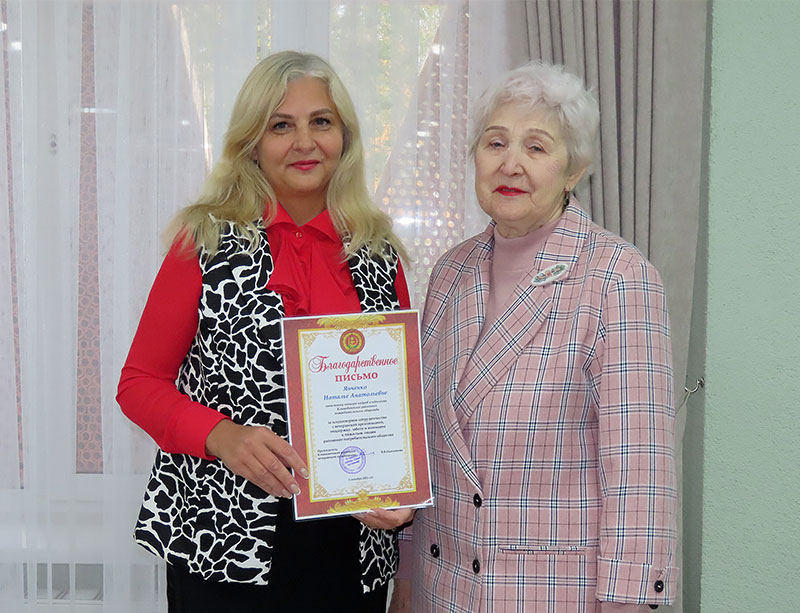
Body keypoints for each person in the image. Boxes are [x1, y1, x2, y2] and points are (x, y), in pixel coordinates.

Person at [118, 50, 413, 613]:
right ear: (253, 142)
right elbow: (138, 384)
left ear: (344, 138)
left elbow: (394, 405)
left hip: (352, 546)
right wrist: (222, 436)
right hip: (222, 543)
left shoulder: (379, 255)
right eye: (281, 125)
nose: (304, 142)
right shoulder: (203, 243)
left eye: (321, 121)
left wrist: (399, 492)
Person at [391, 61, 678, 612]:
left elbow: (640, 473)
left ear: (574, 170)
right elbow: (423, 438)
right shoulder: (451, 271)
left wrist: (630, 604)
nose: (511, 163)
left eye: (537, 147)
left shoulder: (618, 277)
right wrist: (406, 580)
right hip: (441, 589)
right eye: (495, 142)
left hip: (553, 596)